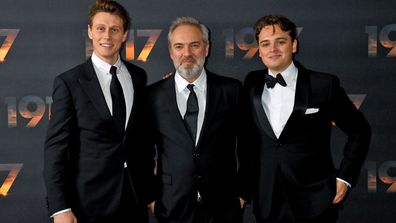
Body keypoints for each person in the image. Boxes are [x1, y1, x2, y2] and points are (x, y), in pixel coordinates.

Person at [238, 15, 371, 223]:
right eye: (265, 44)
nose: (272, 49)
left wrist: (345, 177)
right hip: (267, 200)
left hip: (315, 200)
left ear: (294, 45)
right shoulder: (251, 83)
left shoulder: (323, 85)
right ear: (260, 51)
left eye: (280, 41)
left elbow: (360, 130)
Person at [43, 0, 155, 222]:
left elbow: (142, 140)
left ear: (124, 35)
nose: (107, 36)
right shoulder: (69, 82)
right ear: (90, 32)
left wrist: (150, 192)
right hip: (88, 204)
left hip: (134, 201)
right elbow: (55, 150)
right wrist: (60, 208)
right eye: (101, 29)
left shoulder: (138, 76)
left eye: (115, 30)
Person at [144, 16, 244, 223]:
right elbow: (140, 150)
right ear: (171, 52)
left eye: (194, 45)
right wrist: (151, 198)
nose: (187, 53)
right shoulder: (152, 96)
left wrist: (242, 195)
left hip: (224, 205)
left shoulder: (231, 90)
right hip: (171, 205)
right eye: (179, 46)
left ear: (206, 49)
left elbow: (249, 145)